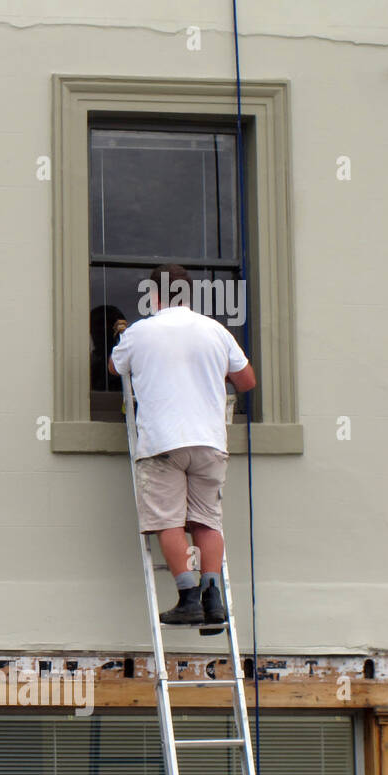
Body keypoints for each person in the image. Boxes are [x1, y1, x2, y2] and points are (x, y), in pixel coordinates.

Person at [108, 264, 257, 626]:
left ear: (152, 294)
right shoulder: (215, 331)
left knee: (169, 521)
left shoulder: (140, 333)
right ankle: (213, 596)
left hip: (163, 443)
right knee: (207, 522)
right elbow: (247, 380)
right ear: (187, 294)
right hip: (209, 440)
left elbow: (114, 370)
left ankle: (188, 597)